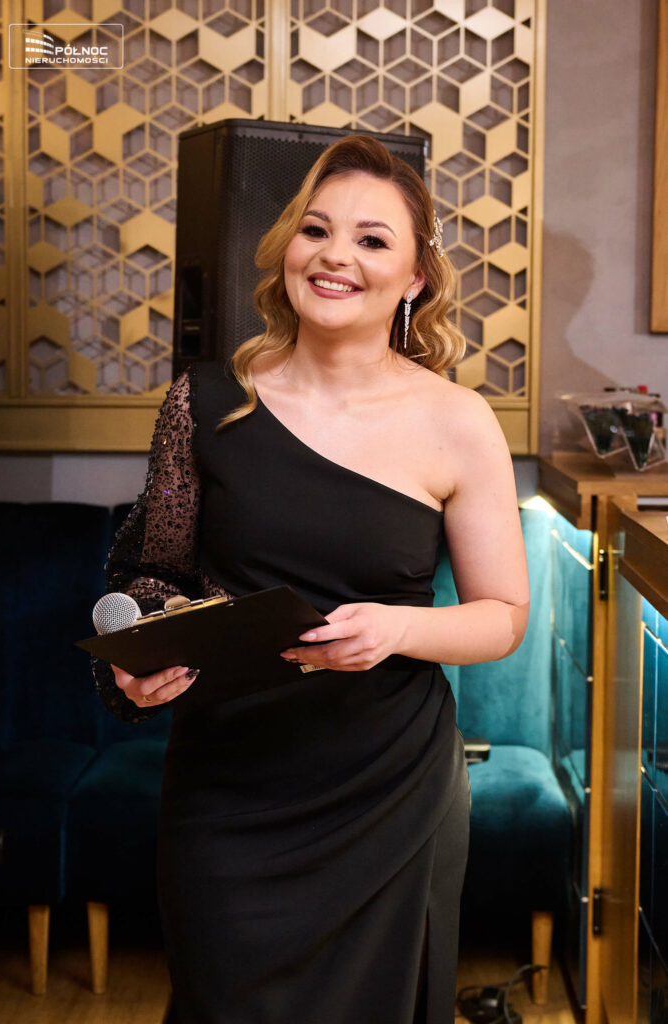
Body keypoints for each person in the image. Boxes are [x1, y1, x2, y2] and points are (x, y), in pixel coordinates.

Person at [94, 133, 529, 1024]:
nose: (335, 256)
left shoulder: (458, 421)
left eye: (372, 239)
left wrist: (397, 628)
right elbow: (151, 573)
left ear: (414, 278)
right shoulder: (205, 400)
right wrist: (135, 659)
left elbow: (501, 616)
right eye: (316, 230)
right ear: (286, 247)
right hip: (227, 787)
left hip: (388, 792)